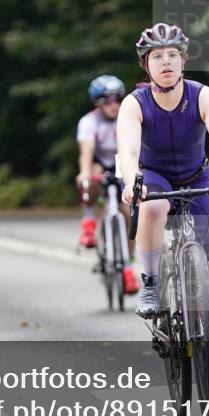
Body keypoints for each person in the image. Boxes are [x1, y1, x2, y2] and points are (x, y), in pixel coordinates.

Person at [117, 23, 209, 396]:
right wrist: (132, 181)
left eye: (172, 55)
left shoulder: (203, 96)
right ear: (146, 65)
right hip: (155, 177)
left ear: (183, 61)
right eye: (157, 56)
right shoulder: (135, 103)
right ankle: (150, 283)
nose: (166, 62)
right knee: (155, 206)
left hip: (198, 176)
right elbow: (128, 152)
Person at [76, 75, 138, 293]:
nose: (113, 104)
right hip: (100, 163)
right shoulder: (89, 122)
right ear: (96, 102)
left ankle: (129, 266)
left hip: (123, 163)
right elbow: (87, 152)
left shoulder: (128, 117)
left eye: (117, 99)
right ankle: (90, 221)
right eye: (106, 100)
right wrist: (85, 174)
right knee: (90, 174)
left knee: (128, 211)